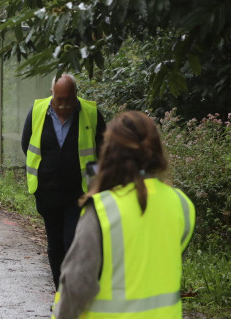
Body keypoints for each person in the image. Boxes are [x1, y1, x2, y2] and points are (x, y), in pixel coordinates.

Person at [52, 111, 195, 318]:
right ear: (156, 150)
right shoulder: (182, 204)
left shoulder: (102, 209)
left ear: (111, 152)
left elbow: (77, 285)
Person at [21, 74, 106, 289]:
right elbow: (27, 144)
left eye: (68, 99)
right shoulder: (38, 112)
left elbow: (103, 152)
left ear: (76, 94)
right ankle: (60, 291)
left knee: (73, 243)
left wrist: (94, 183)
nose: (64, 104)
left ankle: (72, 291)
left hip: (79, 192)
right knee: (55, 244)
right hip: (47, 192)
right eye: (59, 99)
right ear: (51, 94)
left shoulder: (91, 114)